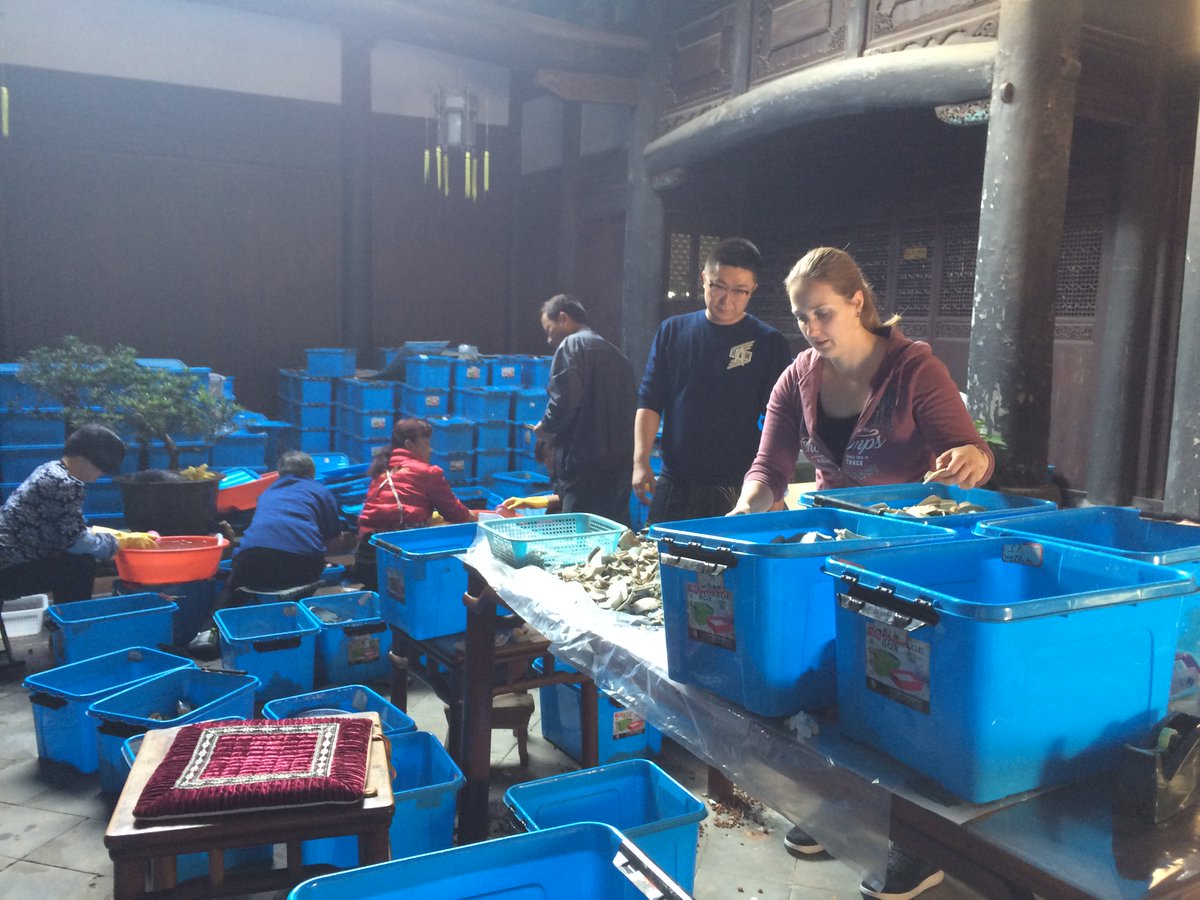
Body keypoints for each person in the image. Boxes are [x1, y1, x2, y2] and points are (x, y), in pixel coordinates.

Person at [733, 246, 994, 900]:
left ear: (858, 302)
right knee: (835, 686)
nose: (813, 329)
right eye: (801, 318)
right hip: (833, 549)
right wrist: (738, 518)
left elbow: (974, 452)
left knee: (904, 692)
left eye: (823, 313)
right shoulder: (798, 376)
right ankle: (845, 805)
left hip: (912, 558)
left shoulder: (914, 370)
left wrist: (965, 458)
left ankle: (917, 845)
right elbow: (769, 469)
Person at [633, 237, 791, 524]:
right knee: (658, 560)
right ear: (704, 278)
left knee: (734, 564)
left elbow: (778, 419)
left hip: (741, 483)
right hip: (676, 479)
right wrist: (640, 459)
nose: (726, 300)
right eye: (717, 286)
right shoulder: (672, 332)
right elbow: (650, 398)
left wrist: (775, 484)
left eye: (739, 291)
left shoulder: (769, 343)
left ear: (753, 289)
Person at [188, 451, 341, 657]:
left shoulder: (267, 493)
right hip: (302, 563)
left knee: (232, 588)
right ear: (311, 472)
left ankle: (207, 633)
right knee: (299, 589)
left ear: (279, 473)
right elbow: (333, 537)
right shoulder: (319, 491)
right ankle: (297, 627)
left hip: (253, 558)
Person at [0, 424, 153, 602]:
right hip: (8, 569)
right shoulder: (65, 483)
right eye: (102, 468)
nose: (100, 475)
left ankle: (64, 623)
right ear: (87, 458)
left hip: (7, 560)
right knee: (80, 565)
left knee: (75, 559)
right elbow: (76, 542)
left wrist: (116, 538)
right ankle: (73, 624)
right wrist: (118, 543)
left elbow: (69, 530)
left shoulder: (49, 469)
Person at [534, 293, 636, 525]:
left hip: (584, 467)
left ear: (563, 318)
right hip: (620, 467)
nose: (549, 340)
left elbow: (564, 402)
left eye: (548, 329)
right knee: (615, 540)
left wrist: (546, 428)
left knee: (580, 542)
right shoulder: (618, 356)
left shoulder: (571, 346)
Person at [353, 417, 477, 590]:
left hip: (365, 558)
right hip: (395, 560)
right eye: (426, 443)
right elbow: (456, 514)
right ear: (409, 445)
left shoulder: (382, 471)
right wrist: (476, 518)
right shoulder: (427, 472)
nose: (431, 450)